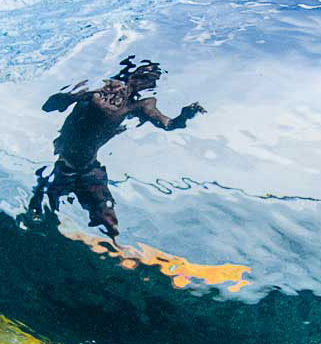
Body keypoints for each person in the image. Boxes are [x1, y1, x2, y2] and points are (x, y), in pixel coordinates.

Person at [28, 56, 206, 239]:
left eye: (152, 79)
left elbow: (169, 125)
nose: (147, 82)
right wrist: (76, 95)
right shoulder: (98, 90)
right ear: (131, 74)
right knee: (42, 203)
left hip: (88, 168)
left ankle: (116, 251)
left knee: (109, 219)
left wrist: (186, 115)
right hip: (67, 164)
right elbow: (48, 107)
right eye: (144, 75)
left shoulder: (141, 105)